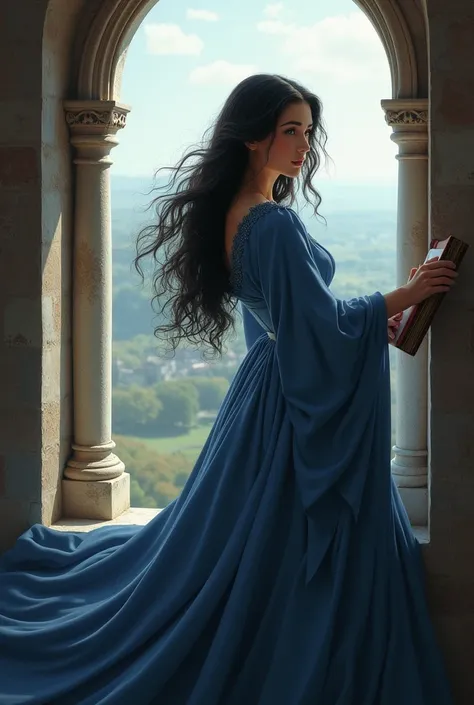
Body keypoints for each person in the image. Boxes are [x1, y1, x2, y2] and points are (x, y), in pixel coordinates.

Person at [0, 74, 457, 705]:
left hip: (265, 390)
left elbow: (292, 323)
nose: (302, 144)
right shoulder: (269, 223)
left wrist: (375, 317)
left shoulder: (241, 214)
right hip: (284, 405)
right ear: (251, 138)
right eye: (288, 130)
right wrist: (411, 293)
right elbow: (316, 326)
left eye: (307, 131)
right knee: (277, 547)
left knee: (243, 543)